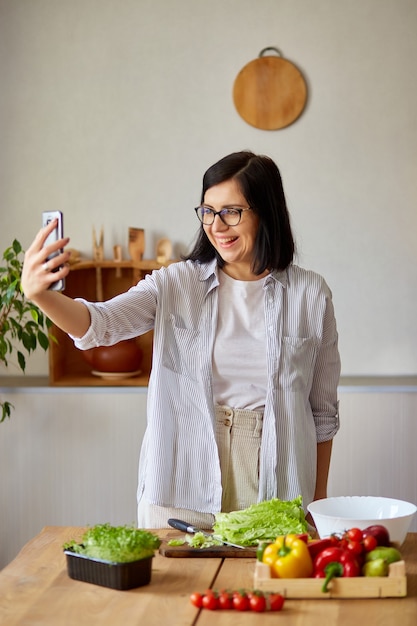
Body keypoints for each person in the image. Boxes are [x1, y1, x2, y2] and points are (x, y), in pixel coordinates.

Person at [21, 150, 340, 529]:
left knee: (259, 589)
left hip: (275, 485)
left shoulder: (310, 294)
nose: (216, 225)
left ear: (265, 211)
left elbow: (322, 415)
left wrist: (317, 506)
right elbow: (99, 325)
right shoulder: (175, 283)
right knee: (174, 588)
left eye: (231, 211)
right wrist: (41, 295)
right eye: (207, 210)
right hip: (181, 479)